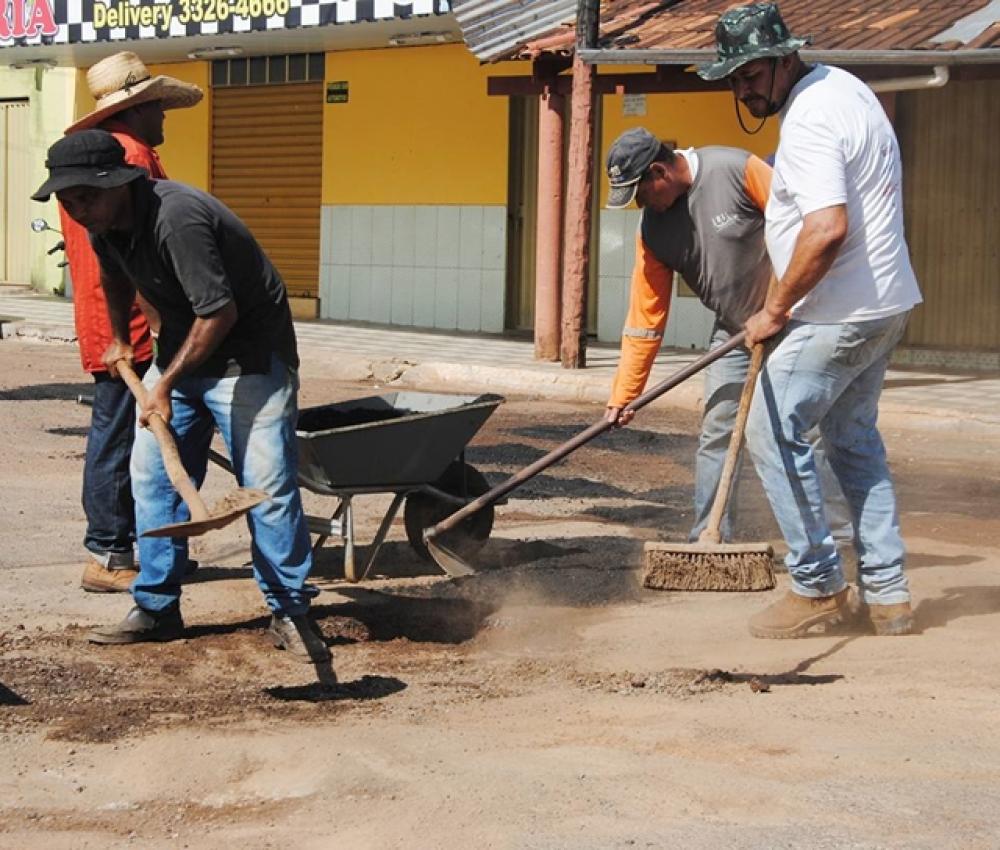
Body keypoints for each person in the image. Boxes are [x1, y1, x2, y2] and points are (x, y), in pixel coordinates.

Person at [33, 130, 328, 663]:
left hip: (250, 360)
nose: (76, 209)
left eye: (85, 197)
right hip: (182, 356)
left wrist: (162, 385)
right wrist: (124, 340)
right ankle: (156, 608)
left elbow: (219, 313)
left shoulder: (178, 218)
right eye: (67, 199)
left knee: (266, 487)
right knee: (152, 482)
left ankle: (290, 609)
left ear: (118, 183)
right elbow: (116, 279)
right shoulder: (104, 223)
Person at [698, 2, 922, 638]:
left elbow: (826, 228)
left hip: (843, 311)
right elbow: (807, 227)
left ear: (783, 57)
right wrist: (777, 297)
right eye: (734, 77)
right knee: (854, 444)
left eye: (749, 73)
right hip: (883, 303)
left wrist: (775, 310)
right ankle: (888, 595)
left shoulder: (812, 116)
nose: (742, 88)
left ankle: (817, 584)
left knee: (771, 428)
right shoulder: (845, 89)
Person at [60, 51, 203, 594]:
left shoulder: (94, 154)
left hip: (109, 315)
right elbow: (141, 249)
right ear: (139, 109)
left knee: (123, 431)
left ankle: (148, 546)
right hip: (134, 321)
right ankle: (111, 551)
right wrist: (161, 320)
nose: (165, 117)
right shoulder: (131, 156)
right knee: (124, 436)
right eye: (159, 107)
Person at [603, 128, 773, 541]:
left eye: (641, 194)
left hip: (797, 321)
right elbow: (645, 319)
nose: (642, 206)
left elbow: (806, 230)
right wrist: (625, 396)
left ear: (659, 171)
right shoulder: (654, 231)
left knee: (793, 433)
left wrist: (782, 307)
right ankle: (709, 539)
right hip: (735, 329)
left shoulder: (736, 169)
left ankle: (835, 542)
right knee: (718, 431)